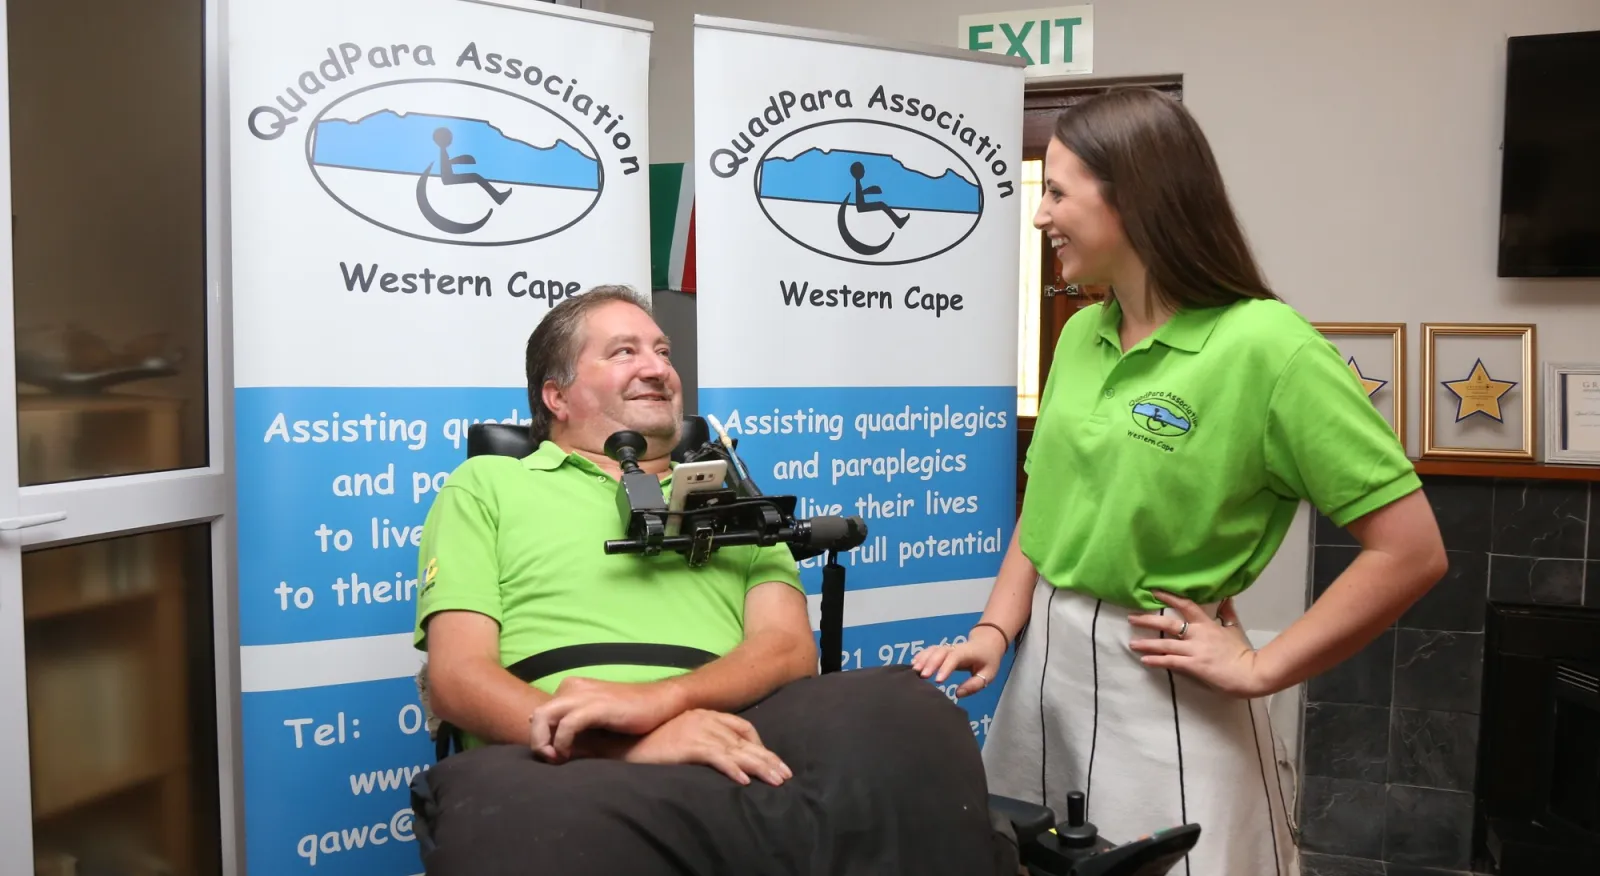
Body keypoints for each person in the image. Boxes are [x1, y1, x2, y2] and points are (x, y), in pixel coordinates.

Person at [912, 87, 1448, 876]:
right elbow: (1048, 503)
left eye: (1057, 193)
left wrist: (1261, 666)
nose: (1041, 215)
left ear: (1132, 201)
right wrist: (996, 630)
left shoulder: (1269, 346)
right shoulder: (1082, 335)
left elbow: (1411, 551)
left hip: (1165, 684)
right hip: (1043, 679)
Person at [408, 286, 1010, 876]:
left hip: (737, 715)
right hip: (565, 742)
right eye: (624, 352)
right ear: (555, 395)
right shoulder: (486, 486)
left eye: (663, 352)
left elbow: (788, 649)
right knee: (523, 824)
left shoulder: (732, 498)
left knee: (905, 712)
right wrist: (632, 742)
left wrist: (658, 705)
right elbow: (458, 679)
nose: (656, 368)